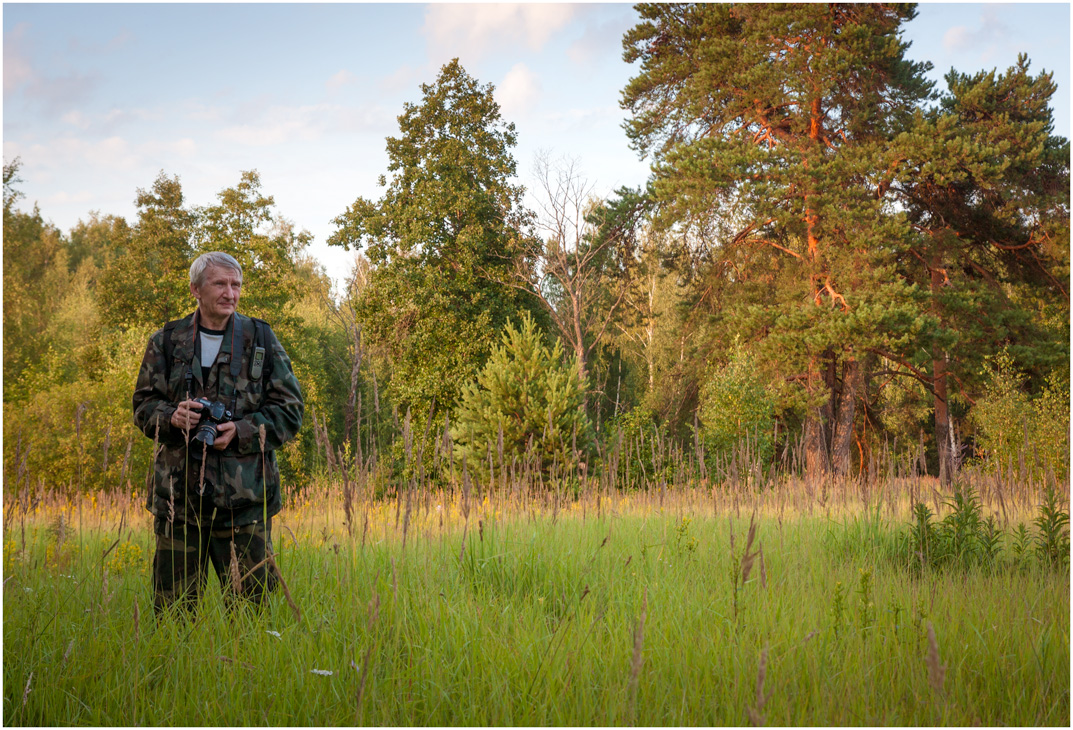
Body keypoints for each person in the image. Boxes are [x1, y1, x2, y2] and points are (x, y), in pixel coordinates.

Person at [132, 251, 304, 614]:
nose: (230, 293)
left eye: (236, 285)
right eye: (220, 284)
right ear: (196, 289)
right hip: (179, 502)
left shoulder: (260, 339)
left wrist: (241, 430)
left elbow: (290, 411)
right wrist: (172, 416)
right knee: (173, 614)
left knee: (251, 615)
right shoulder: (167, 340)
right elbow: (143, 407)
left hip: (243, 503)